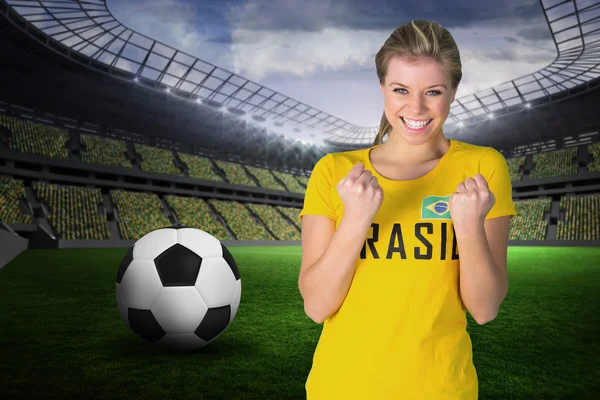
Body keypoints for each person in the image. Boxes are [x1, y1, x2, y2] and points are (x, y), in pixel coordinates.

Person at [297, 20, 516, 399]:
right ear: (382, 88)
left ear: (453, 92)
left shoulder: (483, 167)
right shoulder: (335, 171)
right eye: (401, 89)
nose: (416, 107)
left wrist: (468, 227)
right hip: (341, 387)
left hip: (444, 389)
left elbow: (485, 309)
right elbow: (316, 307)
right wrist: (356, 219)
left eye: (433, 91)